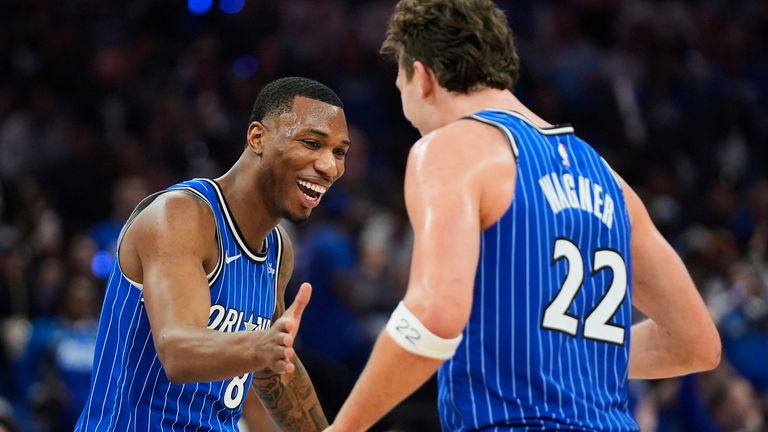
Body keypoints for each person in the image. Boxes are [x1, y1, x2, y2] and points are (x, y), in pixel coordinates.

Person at [328, 1, 721, 431]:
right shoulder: (607, 177)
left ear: (422, 78)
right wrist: (567, 356)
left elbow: (433, 316)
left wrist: (344, 427)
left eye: (400, 86)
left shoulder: (449, 149)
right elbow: (694, 342)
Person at [75, 76, 351, 431]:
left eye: (339, 152)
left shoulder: (278, 249)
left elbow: (273, 367)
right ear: (257, 137)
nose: (329, 167)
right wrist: (259, 346)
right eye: (312, 143)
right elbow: (177, 351)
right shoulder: (181, 216)